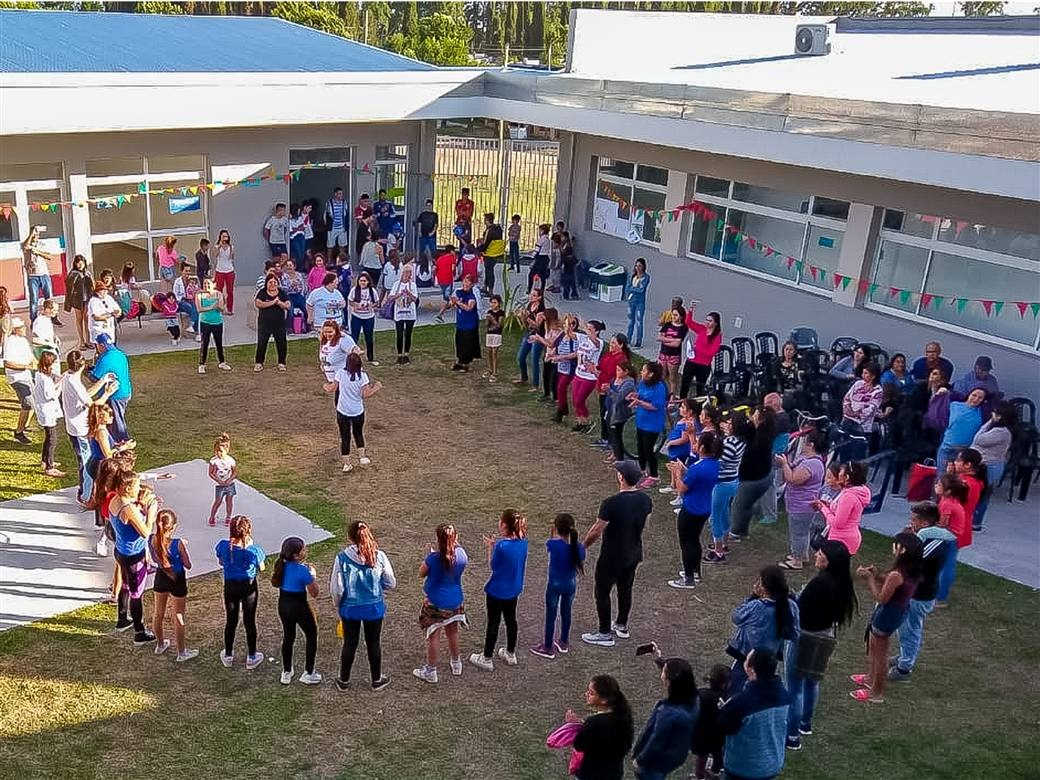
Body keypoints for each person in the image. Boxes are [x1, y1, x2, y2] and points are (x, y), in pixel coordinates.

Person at [784, 540, 857, 750]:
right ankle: (806, 724)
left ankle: (792, 736)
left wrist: (790, 598)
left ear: (828, 560)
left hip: (806, 637)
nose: (816, 554)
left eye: (820, 553)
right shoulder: (842, 582)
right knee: (813, 682)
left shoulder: (820, 583)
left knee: (795, 688)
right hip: (826, 637)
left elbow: (800, 609)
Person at [581, 460, 653, 647]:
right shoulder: (646, 500)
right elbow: (645, 524)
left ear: (621, 477)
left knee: (602, 591)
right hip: (633, 553)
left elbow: (597, 530)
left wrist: (583, 547)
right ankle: (621, 625)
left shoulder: (611, 503)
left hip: (612, 556)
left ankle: (604, 632)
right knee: (625, 589)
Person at [889, 501, 956, 685]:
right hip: (914, 590)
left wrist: (903, 548)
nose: (911, 523)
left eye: (914, 520)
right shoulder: (923, 536)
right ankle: (904, 656)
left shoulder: (935, 541)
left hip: (921, 594)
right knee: (904, 627)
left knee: (911, 629)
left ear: (925, 523)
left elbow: (912, 559)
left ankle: (904, 667)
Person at [851, 532, 923, 703]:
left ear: (903, 550)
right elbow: (896, 585)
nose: (893, 547)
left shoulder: (896, 574)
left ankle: (876, 693)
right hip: (898, 612)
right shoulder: (910, 570)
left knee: (879, 654)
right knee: (875, 649)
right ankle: (870, 677)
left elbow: (881, 598)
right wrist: (877, 575)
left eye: (896, 544)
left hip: (887, 614)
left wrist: (869, 579)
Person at [331, 520, 395, 691]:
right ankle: (376, 679)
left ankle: (343, 681)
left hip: (350, 609)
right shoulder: (379, 556)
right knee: (373, 643)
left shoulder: (342, 558)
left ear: (350, 537)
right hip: (373, 608)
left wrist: (338, 605)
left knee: (350, 643)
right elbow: (391, 582)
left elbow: (337, 588)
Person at [717, 648, 792, 780]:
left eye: (747, 660)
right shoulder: (784, 695)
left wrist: (724, 709)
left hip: (743, 768)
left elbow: (721, 728)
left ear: (751, 669)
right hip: (772, 764)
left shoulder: (742, 703)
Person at [470, 509, 529, 671]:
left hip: (497, 591)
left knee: (493, 623)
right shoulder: (523, 543)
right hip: (513, 589)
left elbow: (494, 566)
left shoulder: (502, 546)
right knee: (511, 620)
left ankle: (487, 658)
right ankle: (510, 653)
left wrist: (490, 547)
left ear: (504, 525)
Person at [726, 565, 798, 694]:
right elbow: (795, 633)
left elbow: (736, 617)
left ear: (764, 588)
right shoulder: (791, 605)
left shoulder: (756, 606)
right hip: (773, 657)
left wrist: (753, 596)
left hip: (748, 656)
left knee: (736, 689)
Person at [666, 431, 722, 590]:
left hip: (691, 509)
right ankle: (696, 572)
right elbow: (696, 479)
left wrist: (677, 473)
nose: (695, 444)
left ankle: (688, 578)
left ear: (703, 447)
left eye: (698, 443)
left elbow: (681, 488)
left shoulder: (698, 468)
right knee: (695, 540)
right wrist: (684, 470)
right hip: (705, 507)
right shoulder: (715, 464)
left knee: (686, 542)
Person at [414, 523, 468, 684]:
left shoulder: (433, 558)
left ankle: (431, 671)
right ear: (456, 537)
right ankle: (456, 663)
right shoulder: (462, 555)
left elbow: (421, 573)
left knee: (433, 637)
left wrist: (430, 556)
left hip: (435, 603)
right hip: (455, 601)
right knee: (453, 632)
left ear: (438, 540)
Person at [109, 469, 158, 644]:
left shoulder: (115, 500)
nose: (138, 489)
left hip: (121, 551)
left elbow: (127, 521)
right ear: (127, 487)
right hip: (134, 556)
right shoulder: (128, 508)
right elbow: (145, 532)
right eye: (136, 486)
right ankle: (139, 632)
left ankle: (122, 619)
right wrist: (151, 513)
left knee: (125, 586)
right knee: (136, 594)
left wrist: (139, 504)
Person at [62, 350, 117, 504]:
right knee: (86, 463)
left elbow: (86, 394)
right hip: (79, 430)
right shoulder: (74, 383)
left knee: (87, 460)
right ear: (83, 365)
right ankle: (86, 496)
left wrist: (103, 381)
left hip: (74, 426)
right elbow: (93, 406)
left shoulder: (68, 376)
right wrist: (107, 393)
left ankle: (88, 492)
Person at [530, 513, 586, 660]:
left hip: (554, 585)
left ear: (556, 528)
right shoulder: (579, 548)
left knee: (551, 615)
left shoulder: (552, 544)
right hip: (570, 584)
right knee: (566, 612)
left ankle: (548, 647)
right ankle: (564, 642)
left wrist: (553, 532)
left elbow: (551, 542)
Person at [632, 658, 697, 780]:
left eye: (664, 671)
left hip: (654, 764)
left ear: (669, 681)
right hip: (674, 755)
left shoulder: (668, 713)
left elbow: (656, 741)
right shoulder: (694, 700)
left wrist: (640, 760)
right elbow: (677, 672)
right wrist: (659, 659)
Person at [216, 515, 266, 670]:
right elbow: (262, 567)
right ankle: (252, 656)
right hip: (248, 587)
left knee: (231, 621)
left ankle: (229, 654)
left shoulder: (223, 546)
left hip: (230, 586)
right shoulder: (254, 551)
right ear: (248, 531)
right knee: (249, 621)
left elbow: (221, 561)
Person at [149, 509, 198, 662]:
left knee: (158, 613)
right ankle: (181, 652)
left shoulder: (151, 539)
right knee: (178, 615)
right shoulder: (178, 544)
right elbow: (188, 565)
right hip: (177, 579)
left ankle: (160, 644)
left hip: (161, 576)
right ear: (174, 526)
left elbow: (156, 558)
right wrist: (182, 546)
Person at [271, 537, 321, 685]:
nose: (305, 551)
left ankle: (286, 671)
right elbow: (315, 592)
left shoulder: (281, 566)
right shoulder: (303, 570)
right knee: (312, 634)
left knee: (288, 636)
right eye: (303, 550)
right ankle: (309, 672)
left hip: (284, 605)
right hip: (300, 606)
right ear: (295, 555)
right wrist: (312, 576)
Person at [566, 675, 635, 780]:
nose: (586, 694)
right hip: (614, 772)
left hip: (592, 774)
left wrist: (575, 726)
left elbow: (579, 745)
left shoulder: (594, 722)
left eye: (591, 693)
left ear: (604, 700)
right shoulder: (623, 716)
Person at [776, 429, 826, 570]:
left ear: (811, 444)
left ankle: (797, 561)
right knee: (801, 532)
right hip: (798, 504)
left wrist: (785, 464)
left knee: (798, 533)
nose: (802, 443)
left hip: (802, 506)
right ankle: (802, 555)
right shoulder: (806, 459)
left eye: (805, 441)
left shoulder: (812, 464)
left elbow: (793, 479)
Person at [727, 406, 777, 542]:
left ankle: (735, 533)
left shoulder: (761, 439)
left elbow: (747, 457)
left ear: (761, 419)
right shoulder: (763, 432)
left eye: (755, 414)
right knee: (746, 505)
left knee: (738, 506)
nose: (752, 416)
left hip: (753, 480)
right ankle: (743, 530)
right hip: (762, 477)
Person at [705, 409, 749, 563]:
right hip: (732, 481)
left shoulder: (728, 443)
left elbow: (717, 462)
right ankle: (723, 544)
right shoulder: (742, 441)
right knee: (724, 513)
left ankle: (718, 552)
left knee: (715, 518)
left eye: (730, 423)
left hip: (721, 484)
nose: (726, 425)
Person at [328, 352, 382, 472]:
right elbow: (366, 394)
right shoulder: (362, 377)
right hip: (357, 411)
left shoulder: (341, 374)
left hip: (342, 411)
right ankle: (362, 456)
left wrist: (325, 386)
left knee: (345, 437)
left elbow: (332, 388)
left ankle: (346, 464)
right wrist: (376, 387)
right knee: (358, 433)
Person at [970, 402, 1016, 530]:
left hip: (989, 467)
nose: (992, 414)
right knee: (981, 494)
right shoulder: (998, 429)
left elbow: (978, 439)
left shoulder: (1000, 432)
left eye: (994, 413)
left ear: (1000, 416)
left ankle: (976, 523)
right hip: (988, 465)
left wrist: (989, 422)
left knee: (981, 495)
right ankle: (974, 521)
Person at [811, 461, 869, 555]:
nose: (839, 474)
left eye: (841, 472)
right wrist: (828, 505)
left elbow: (837, 523)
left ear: (847, 477)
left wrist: (823, 508)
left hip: (841, 540)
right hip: (844, 538)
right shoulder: (853, 491)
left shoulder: (848, 496)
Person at [628, 361, 669, 488]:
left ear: (651, 374)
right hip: (641, 421)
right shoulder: (642, 383)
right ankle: (641, 470)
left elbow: (654, 406)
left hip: (653, 424)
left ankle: (654, 476)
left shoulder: (659, 388)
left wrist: (639, 402)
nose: (641, 372)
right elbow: (641, 394)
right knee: (640, 446)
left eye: (644, 370)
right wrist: (634, 395)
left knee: (648, 449)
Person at [936, 387, 987, 476]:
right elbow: (936, 410)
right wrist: (940, 394)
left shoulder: (982, 412)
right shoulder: (954, 405)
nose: (976, 399)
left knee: (957, 481)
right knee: (941, 477)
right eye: (974, 395)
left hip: (964, 452)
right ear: (969, 394)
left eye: (980, 398)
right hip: (947, 448)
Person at [90, 332, 132, 441]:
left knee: (117, 423)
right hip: (125, 391)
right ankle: (113, 441)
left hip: (115, 395)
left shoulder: (105, 358)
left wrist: (85, 371)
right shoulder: (120, 354)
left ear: (101, 345)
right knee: (115, 420)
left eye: (97, 346)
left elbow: (94, 378)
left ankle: (123, 445)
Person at [567, 319, 606, 434]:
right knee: (575, 400)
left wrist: (587, 332)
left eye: (590, 329)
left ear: (597, 331)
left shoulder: (599, 342)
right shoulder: (583, 338)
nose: (587, 331)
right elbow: (570, 334)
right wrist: (568, 325)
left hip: (590, 377)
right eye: (587, 328)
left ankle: (587, 421)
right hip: (579, 373)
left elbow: (594, 342)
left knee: (579, 400)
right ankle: (580, 422)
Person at [692, 665, 730, 780]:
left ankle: (700, 776)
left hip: (700, 735)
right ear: (725, 684)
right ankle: (716, 773)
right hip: (716, 737)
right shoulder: (722, 699)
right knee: (718, 755)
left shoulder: (701, 693)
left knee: (701, 757)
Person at [32, 350, 64, 476]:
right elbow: (51, 395)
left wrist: (56, 381)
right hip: (47, 411)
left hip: (44, 409)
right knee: (52, 439)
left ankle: (45, 460)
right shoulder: (45, 379)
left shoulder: (40, 374)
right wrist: (60, 385)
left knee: (48, 437)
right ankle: (49, 467)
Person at [3, 317, 35, 444]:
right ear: (16, 330)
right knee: (28, 404)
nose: (25, 328)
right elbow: (7, 363)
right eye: (22, 327)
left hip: (27, 376)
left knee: (33, 403)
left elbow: (30, 357)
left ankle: (24, 426)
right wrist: (25, 367)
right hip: (17, 378)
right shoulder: (10, 342)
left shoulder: (23, 341)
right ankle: (19, 432)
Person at [681, 304, 723, 399]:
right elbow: (689, 323)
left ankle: (698, 406)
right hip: (692, 361)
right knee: (685, 383)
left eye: (710, 321)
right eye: (707, 320)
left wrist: (697, 349)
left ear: (716, 323)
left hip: (703, 365)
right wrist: (690, 311)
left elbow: (712, 352)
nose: (707, 322)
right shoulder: (702, 329)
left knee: (700, 387)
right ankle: (682, 401)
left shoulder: (717, 336)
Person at [21, 225, 60, 323]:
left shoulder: (41, 244)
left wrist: (37, 251)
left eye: (37, 233)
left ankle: (53, 317)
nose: (36, 235)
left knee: (49, 297)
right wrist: (31, 235)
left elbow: (49, 256)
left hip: (44, 274)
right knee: (34, 300)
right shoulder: (26, 244)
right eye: (35, 233)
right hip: (32, 276)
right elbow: (25, 247)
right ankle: (34, 321)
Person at [254, 274, 289, 372]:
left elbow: (287, 305)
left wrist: (279, 303)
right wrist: (272, 302)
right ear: (266, 283)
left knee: (281, 343)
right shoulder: (262, 292)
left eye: (275, 282)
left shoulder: (282, 293)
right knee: (262, 343)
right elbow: (258, 303)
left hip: (279, 323)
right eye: (270, 282)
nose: (273, 284)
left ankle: (282, 363)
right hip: (264, 323)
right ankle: (259, 363)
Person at [194, 277, 230, 374]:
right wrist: (211, 307)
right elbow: (199, 309)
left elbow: (221, 309)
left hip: (217, 322)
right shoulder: (199, 295)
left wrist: (219, 305)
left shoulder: (218, 294)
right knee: (204, 343)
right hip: (205, 322)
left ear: (213, 285)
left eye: (208, 284)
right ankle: (202, 364)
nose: (206, 286)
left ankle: (222, 362)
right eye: (204, 284)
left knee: (219, 343)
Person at [606, 362, 638, 464]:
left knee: (617, 436)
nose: (617, 372)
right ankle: (615, 453)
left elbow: (618, 399)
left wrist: (609, 391)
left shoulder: (628, 384)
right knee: (613, 434)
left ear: (626, 372)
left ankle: (619, 459)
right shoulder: (618, 380)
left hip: (621, 414)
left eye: (619, 370)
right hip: (614, 411)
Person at [513, 288, 546, 390]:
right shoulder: (529, 306)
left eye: (534, 295)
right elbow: (525, 324)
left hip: (538, 336)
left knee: (534, 360)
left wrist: (527, 318)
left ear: (539, 298)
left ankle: (535, 385)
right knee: (521, 357)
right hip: (529, 333)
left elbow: (537, 326)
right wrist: (522, 317)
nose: (531, 297)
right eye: (531, 295)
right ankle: (524, 377)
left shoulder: (541, 311)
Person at [342, 273, 376, 366]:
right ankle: (352, 357)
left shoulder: (372, 291)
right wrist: (355, 305)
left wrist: (371, 306)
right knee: (354, 337)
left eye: (364, 281)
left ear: (368, 281)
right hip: (356, 317)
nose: (362, 282)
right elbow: (350, 301)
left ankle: (370, 357)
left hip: (369, 317)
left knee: (369, 337)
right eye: (361, 281)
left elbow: (376, 302)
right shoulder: (354, 290)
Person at [841, 362, 883, 437]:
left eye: (866, 373)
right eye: (863, 373)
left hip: (862, 423)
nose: (862, 375)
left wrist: (855, 415)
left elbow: (871, 408)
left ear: (873, 376)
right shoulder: (858, 383)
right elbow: (846, 398)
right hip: (847, 418)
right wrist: (847, 410)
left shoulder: (878, 390)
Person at [449, 274, 480, 372]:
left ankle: (466, 363)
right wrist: (452, 303)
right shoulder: (458, 292)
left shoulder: (472, 295)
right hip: (460, 322)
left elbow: (469, 308)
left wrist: (458, 303)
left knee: (467, 343)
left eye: (468, 282)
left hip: (470, 323)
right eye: (464, 281)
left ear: (471, 284)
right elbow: (452, 302)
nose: (466, 284)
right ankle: (459, 360)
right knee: (459, 342)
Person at [389, 262, 418, 365]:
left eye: (409, 273)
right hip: (399, 312)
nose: (407, 275)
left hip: (410, 313)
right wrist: (400, 294)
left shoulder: (413, 285)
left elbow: (415, 299)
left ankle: (406, 354)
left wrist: (409, 293)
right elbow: (390, 297)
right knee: (400, 334)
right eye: (405, 273)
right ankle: (399, 355)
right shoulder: (397, 284)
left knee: (408, 334)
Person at [206, 432, 237, 527]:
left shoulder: (231, 461)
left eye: (220, 451)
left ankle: (228, 517)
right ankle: (212, 516)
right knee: (218, 501)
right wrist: (218, 480)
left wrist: (229, 480)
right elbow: (210, 473)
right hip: (220, 486)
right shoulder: (213, 461)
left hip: (229, 485)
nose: (218, 453)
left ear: (226, 450)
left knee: (229, 501)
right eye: (216, 451)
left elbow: (235, 472)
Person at [64, 254, 94, 348]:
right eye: (78, 263)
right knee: (79, 319)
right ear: (75, 264)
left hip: (87, 299)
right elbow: (69, 289)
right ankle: (81, 341)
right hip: (77, 300)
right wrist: (69, 303)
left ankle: (88, 340)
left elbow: (93, 286)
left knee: (87, 319)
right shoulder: (73, 274)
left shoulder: (88, 273)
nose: (80, 265)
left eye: (82, 263)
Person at [306, 271, 346, 340]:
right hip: (322, 323)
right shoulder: (317, 292)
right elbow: (309, 304)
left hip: (337, 322)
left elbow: (343, 303)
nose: (337, 283)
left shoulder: (337, 292)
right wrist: (310, 316)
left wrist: (342, 304)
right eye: (335, 281)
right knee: (325, 343)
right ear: (330, 282)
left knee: (335, 344)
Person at [477, 212, 505, 295]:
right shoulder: (498, 228)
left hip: (489, 253)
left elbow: (486, 243)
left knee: (489, 272)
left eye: (485, 219)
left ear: (487, 220)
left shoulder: (489, 230)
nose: (484, 221)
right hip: (496, 253)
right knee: (489, 270)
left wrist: (479, 249)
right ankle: (486, 287)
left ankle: (490, 290)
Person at [86, 280, 121, 344]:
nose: (105, 292)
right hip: (99, 329)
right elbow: (97, 317)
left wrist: (118, 312)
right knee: (103, 347)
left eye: (106, 290)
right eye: (102, 290)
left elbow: (117, 309)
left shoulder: (108, 298)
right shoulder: (93, 301)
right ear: (97, 292)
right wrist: (110, 315)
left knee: (111, 345)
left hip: (109, 328)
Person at [625, 258, 650, 347]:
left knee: (639, 321)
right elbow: (627, 288)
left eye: (640, 266)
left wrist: (632, 289)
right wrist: (633, 289)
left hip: (640, 302)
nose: (638, 268)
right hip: (631, 301)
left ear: (643, 267)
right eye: (636, 266)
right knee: (630, 321)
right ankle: (628, 339)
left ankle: (638, 342)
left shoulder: (646, 277)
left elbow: (641, 290)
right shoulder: (632, 276)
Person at [211, 229, 236, 315]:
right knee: (219, 291)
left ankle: (229, 309)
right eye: (223, 236)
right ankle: (220, 307)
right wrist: (220, 246)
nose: (225, 238)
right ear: (220, 237)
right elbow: (215, 255)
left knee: (230, 291)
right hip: (220, 271)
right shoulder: (217, 246)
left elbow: (231, 258)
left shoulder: (231, 247)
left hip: (229, 270)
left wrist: (229, 248)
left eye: (226, 236)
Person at [171, 262, 200, 337]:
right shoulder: (177, 281)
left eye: (189, 271)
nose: (188, 273)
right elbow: (175, 294)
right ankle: (196, 330)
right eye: (186, 271)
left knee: (196, 308)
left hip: (190, 300)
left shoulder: (192, 280)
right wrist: (183, 298)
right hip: (180, 301)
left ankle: (193, 327)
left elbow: (196, 290)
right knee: (190, 308)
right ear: (182, 271)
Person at [281, 257, 308, 332]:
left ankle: (306, 327)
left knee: (306, 310)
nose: (289, 267)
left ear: (294, 266)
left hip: (299, 295)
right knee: (291, 311)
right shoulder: (284, 276)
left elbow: (303, 286)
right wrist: (291, 285)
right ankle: (289, 328)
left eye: (291, 265)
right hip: (289, 296)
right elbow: (283, 289)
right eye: (287, 265)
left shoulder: (299, 275)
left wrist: (302, 294)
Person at [433, 245, 458, 323]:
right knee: (447, 298)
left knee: (447, 296)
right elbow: (453, 269)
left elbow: (435, 269)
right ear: (451, 251)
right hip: (448, 280)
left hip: (441, 280)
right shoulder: (452, 257)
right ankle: (439, 315)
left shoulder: (440, 259)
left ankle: (449, 306)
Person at [484, 294, 505, 382]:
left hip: (497, 334)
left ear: (498, 303)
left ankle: (495, 372)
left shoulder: (501, 313)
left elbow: (499, 325)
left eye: (494, 302)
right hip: (489, 334)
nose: (493, 304)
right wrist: (487, 319)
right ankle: (489, 369)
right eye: (491, 302)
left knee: (494, 352)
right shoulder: (489, 311)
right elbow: (486, 325)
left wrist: (492, 319)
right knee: (488, 351)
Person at [324, 187, 349, 260]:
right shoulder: (329, 202)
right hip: (332, 227)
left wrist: (346, 226)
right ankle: (329, 261)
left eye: (342, 194)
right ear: (335, 194)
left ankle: (342, 260)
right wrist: (327, 225)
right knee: (330, 246)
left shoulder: (344, 202)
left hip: (342, 227)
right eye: (339, 194)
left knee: (342, 245)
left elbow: (346, 213)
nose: (341, 195)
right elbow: (327, 214)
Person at [414, 198, 439, 265]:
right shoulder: (422, 214)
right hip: (423, 234)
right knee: (422, 249)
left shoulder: (435, 215)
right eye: (427, 205)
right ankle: (422, 262)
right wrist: (419, 232)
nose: (429, 207)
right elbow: (419, 223)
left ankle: (432, 262)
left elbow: (436, 225)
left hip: (431, 235)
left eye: (430, 205)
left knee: (432, 249)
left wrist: (433, 232)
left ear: (432, 206)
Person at [528, 223, 551, 293]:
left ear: (542, 231)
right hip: (545, 258)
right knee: (542, 276)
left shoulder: (541, 239)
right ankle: (542, 290)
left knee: (531, 275)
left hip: (540, 258)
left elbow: (537, 249)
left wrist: (532, 256)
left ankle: (529, 289)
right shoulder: (548, 239)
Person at [353, 192, 372, 261]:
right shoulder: (357, 209)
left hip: (369, 230)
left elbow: (372, 220)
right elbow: (359, 221)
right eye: (365, 201)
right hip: (361, 231)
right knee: (361, 248)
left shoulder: (370, 209)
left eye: (367, 201)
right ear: (361, 201)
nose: (366, 203)